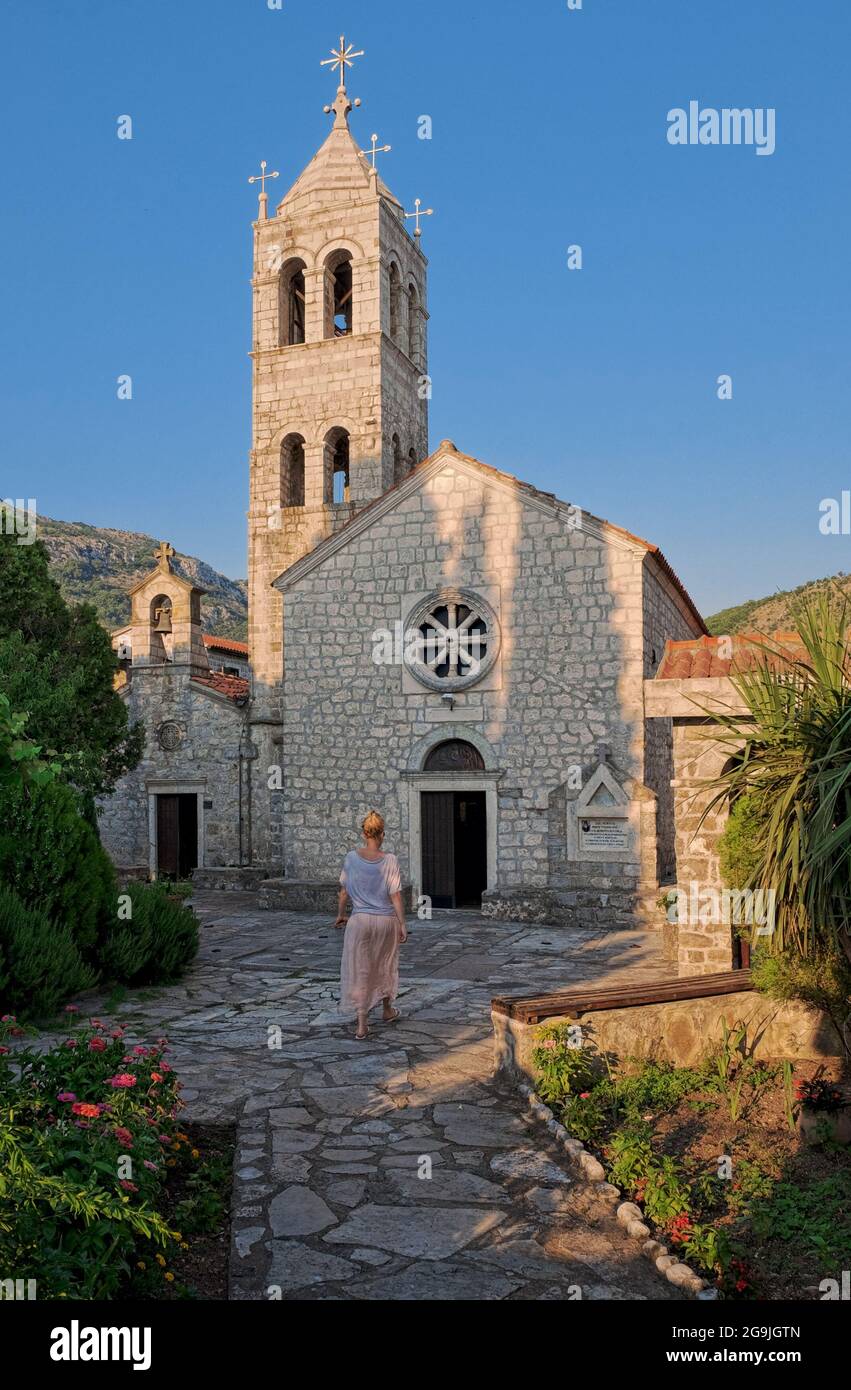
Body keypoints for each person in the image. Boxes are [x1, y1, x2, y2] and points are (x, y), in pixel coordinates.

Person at [335, 811, 407, 1040]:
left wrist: (340, 915)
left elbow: (344, 892)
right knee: (385, 963)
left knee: (361, 968)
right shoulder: (390, 860)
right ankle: (387, 1010)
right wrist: (402, 923)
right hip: (386, 920)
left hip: (360, 920)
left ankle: (362, 1024)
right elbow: (395, 895)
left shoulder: (351, 858)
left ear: (363, 833)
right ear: (382, 834)